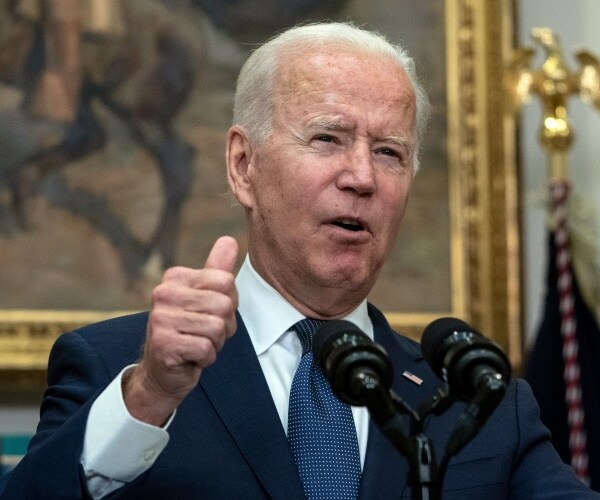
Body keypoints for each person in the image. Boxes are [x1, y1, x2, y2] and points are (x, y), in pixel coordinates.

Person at [1, 21, 598, 499]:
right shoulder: (116, 370)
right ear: (243, 166)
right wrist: (152, 393)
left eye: (389, 152)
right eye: (327, 139)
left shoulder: (480, 402)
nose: (362, 177)